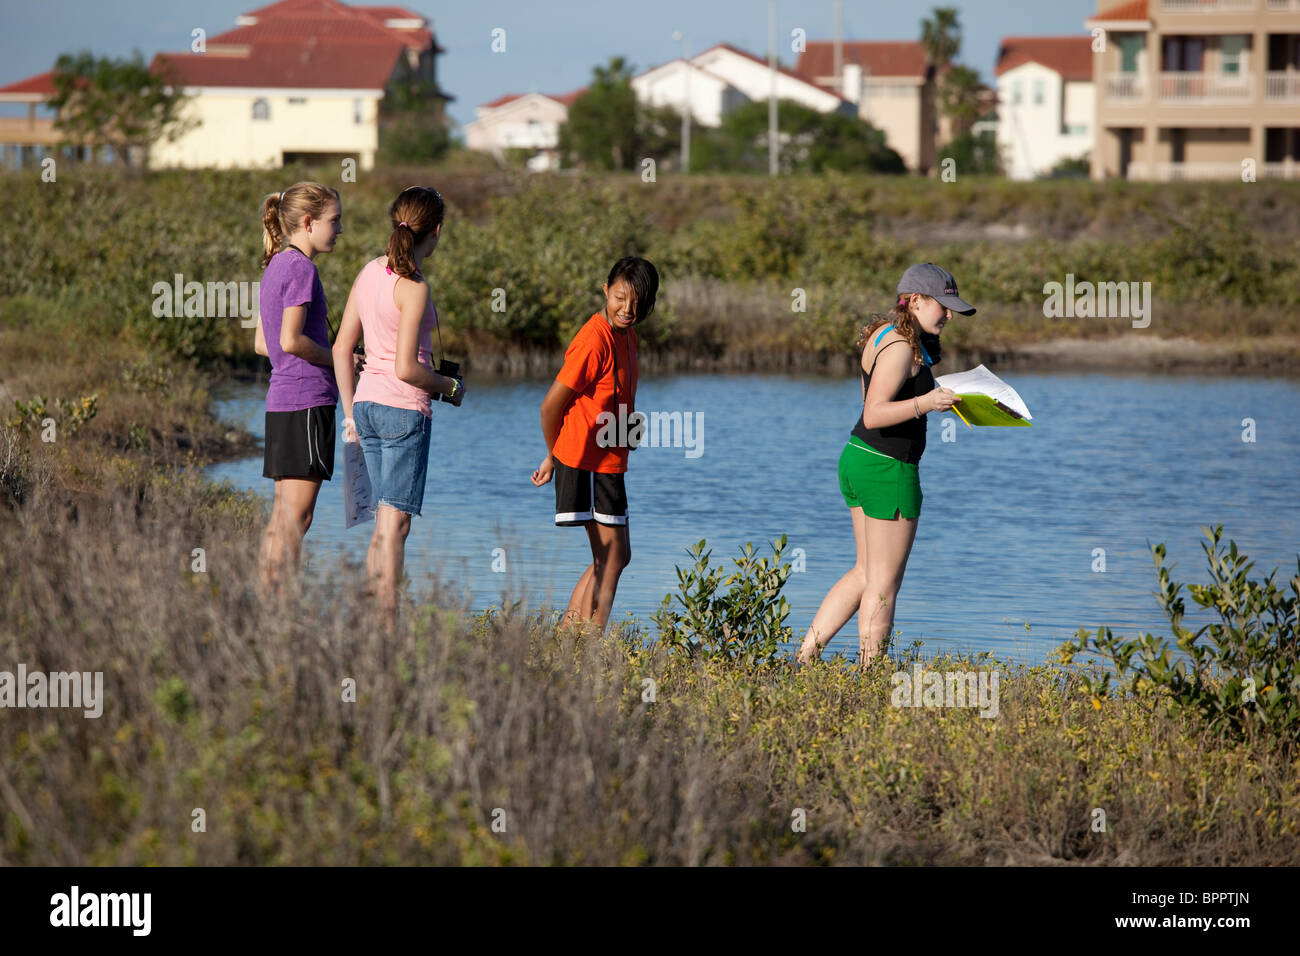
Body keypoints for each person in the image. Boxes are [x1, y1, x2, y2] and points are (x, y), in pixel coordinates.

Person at [796, 263, 975, 667]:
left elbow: (879, 406)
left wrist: (928, 403)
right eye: (942, 307)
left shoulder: (885, 333)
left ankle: (804, 658)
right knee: (884, 585)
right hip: (888, 470)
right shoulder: (901, 348)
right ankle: (871, 674)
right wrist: (927, 403)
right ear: (915, 301)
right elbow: (875, 412)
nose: (949, 316)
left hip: (859, 459)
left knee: (864, 572)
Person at [332, 186, 463, 629]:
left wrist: (349, 414)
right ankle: (387, 631)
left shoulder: (370, 271)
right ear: (437, 232)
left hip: (366, 407)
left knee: (383, 524)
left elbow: (340, 348)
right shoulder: (414, 288)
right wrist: (449, 386)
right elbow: (408, 368)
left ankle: (372, 623)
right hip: (404, 412)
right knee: (395, 528)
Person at [531, 256, 658, 634]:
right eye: (620, 297)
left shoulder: (627, 334)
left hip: (608, 459)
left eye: (638, 302)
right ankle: (592, 646)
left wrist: (629, 430)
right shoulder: (594, 339)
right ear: (606, 290)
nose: (628, 309)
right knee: (613, 556)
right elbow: (551, 405)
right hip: (585, 461)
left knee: (616, 556)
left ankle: (570, 637)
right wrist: (554, 456)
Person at [253, 181, 342, 592]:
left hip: (280, 401)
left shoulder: (275, 265)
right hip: (307, 402)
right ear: (308, 223)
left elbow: (262, 343)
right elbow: (289, 341)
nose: (339, 229)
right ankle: (279, 613)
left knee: (283, 516)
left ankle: (266, 605)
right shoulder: (303, 268)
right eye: (334, 221)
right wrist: (341, 357)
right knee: (297, 518)